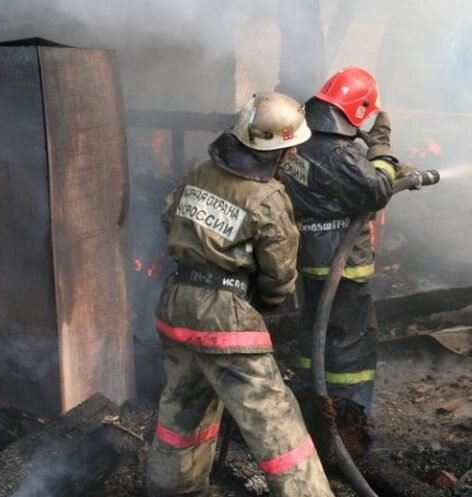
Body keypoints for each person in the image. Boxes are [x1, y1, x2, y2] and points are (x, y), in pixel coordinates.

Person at [146, 92, 334, 497]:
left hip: (175, 303)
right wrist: (259, 302)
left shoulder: (199, 172)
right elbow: (280, 275)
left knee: (183, 408)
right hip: (223, 316)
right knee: (274, 421)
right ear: (279, 150)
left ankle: (171, 490)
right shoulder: (267, 197)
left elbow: (168, 216)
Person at [279, 66, 409, 419]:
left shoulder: (300, 141)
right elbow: (377, 191)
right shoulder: (339, 153)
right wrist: (381, 148)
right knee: (354, 341)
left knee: (314, 329)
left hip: (307, 255)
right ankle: (350, 415)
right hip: (342, 260)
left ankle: (312, 399)